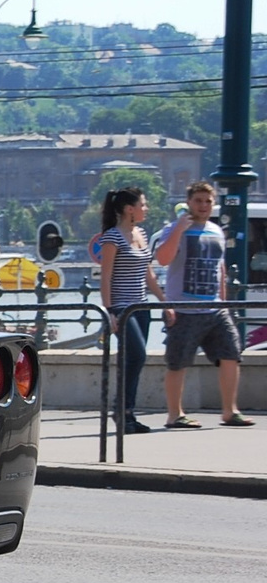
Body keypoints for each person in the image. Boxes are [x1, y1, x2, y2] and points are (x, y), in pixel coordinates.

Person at [153, 182, 255, 429]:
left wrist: (224, 301)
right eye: (198, 201)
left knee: (232, 354)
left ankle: (230, 411)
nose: (203, 206)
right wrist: (179, 228)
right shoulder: (173, 229)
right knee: (178, 362)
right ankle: (174, 414)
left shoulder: (216, 231)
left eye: (208, 201)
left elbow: (220, 269)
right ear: (189, 202)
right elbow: (163, 259)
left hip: (215, 309)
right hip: (185, 308)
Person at [98, 186, 164, 434]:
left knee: (134, 361)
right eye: (143, 204)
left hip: (141, 307)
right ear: (129, 209)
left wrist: (164, 302)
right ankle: (121, 410)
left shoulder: (141, 234)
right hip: (122, 308)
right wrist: (110, 311)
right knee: (136, 356)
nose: (146, 208)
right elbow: (105, 278)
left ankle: (128, 413)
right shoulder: (112, 238)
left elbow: (148, 274)